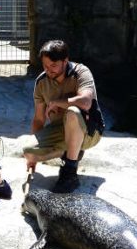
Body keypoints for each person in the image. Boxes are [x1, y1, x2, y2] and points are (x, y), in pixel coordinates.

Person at [23, 40, 104, 193]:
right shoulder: (41, 82)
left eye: (53, 66)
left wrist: (57, 102)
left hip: (89, 131)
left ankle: (69, 172)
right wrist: (34, 157)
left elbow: (86, 102)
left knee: (73, 112)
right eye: (45, 66)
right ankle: (73, 150)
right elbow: (39, 119)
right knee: (28, 152)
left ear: (65, 61)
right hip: (60, 130)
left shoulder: (81, 72)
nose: (48, 70)